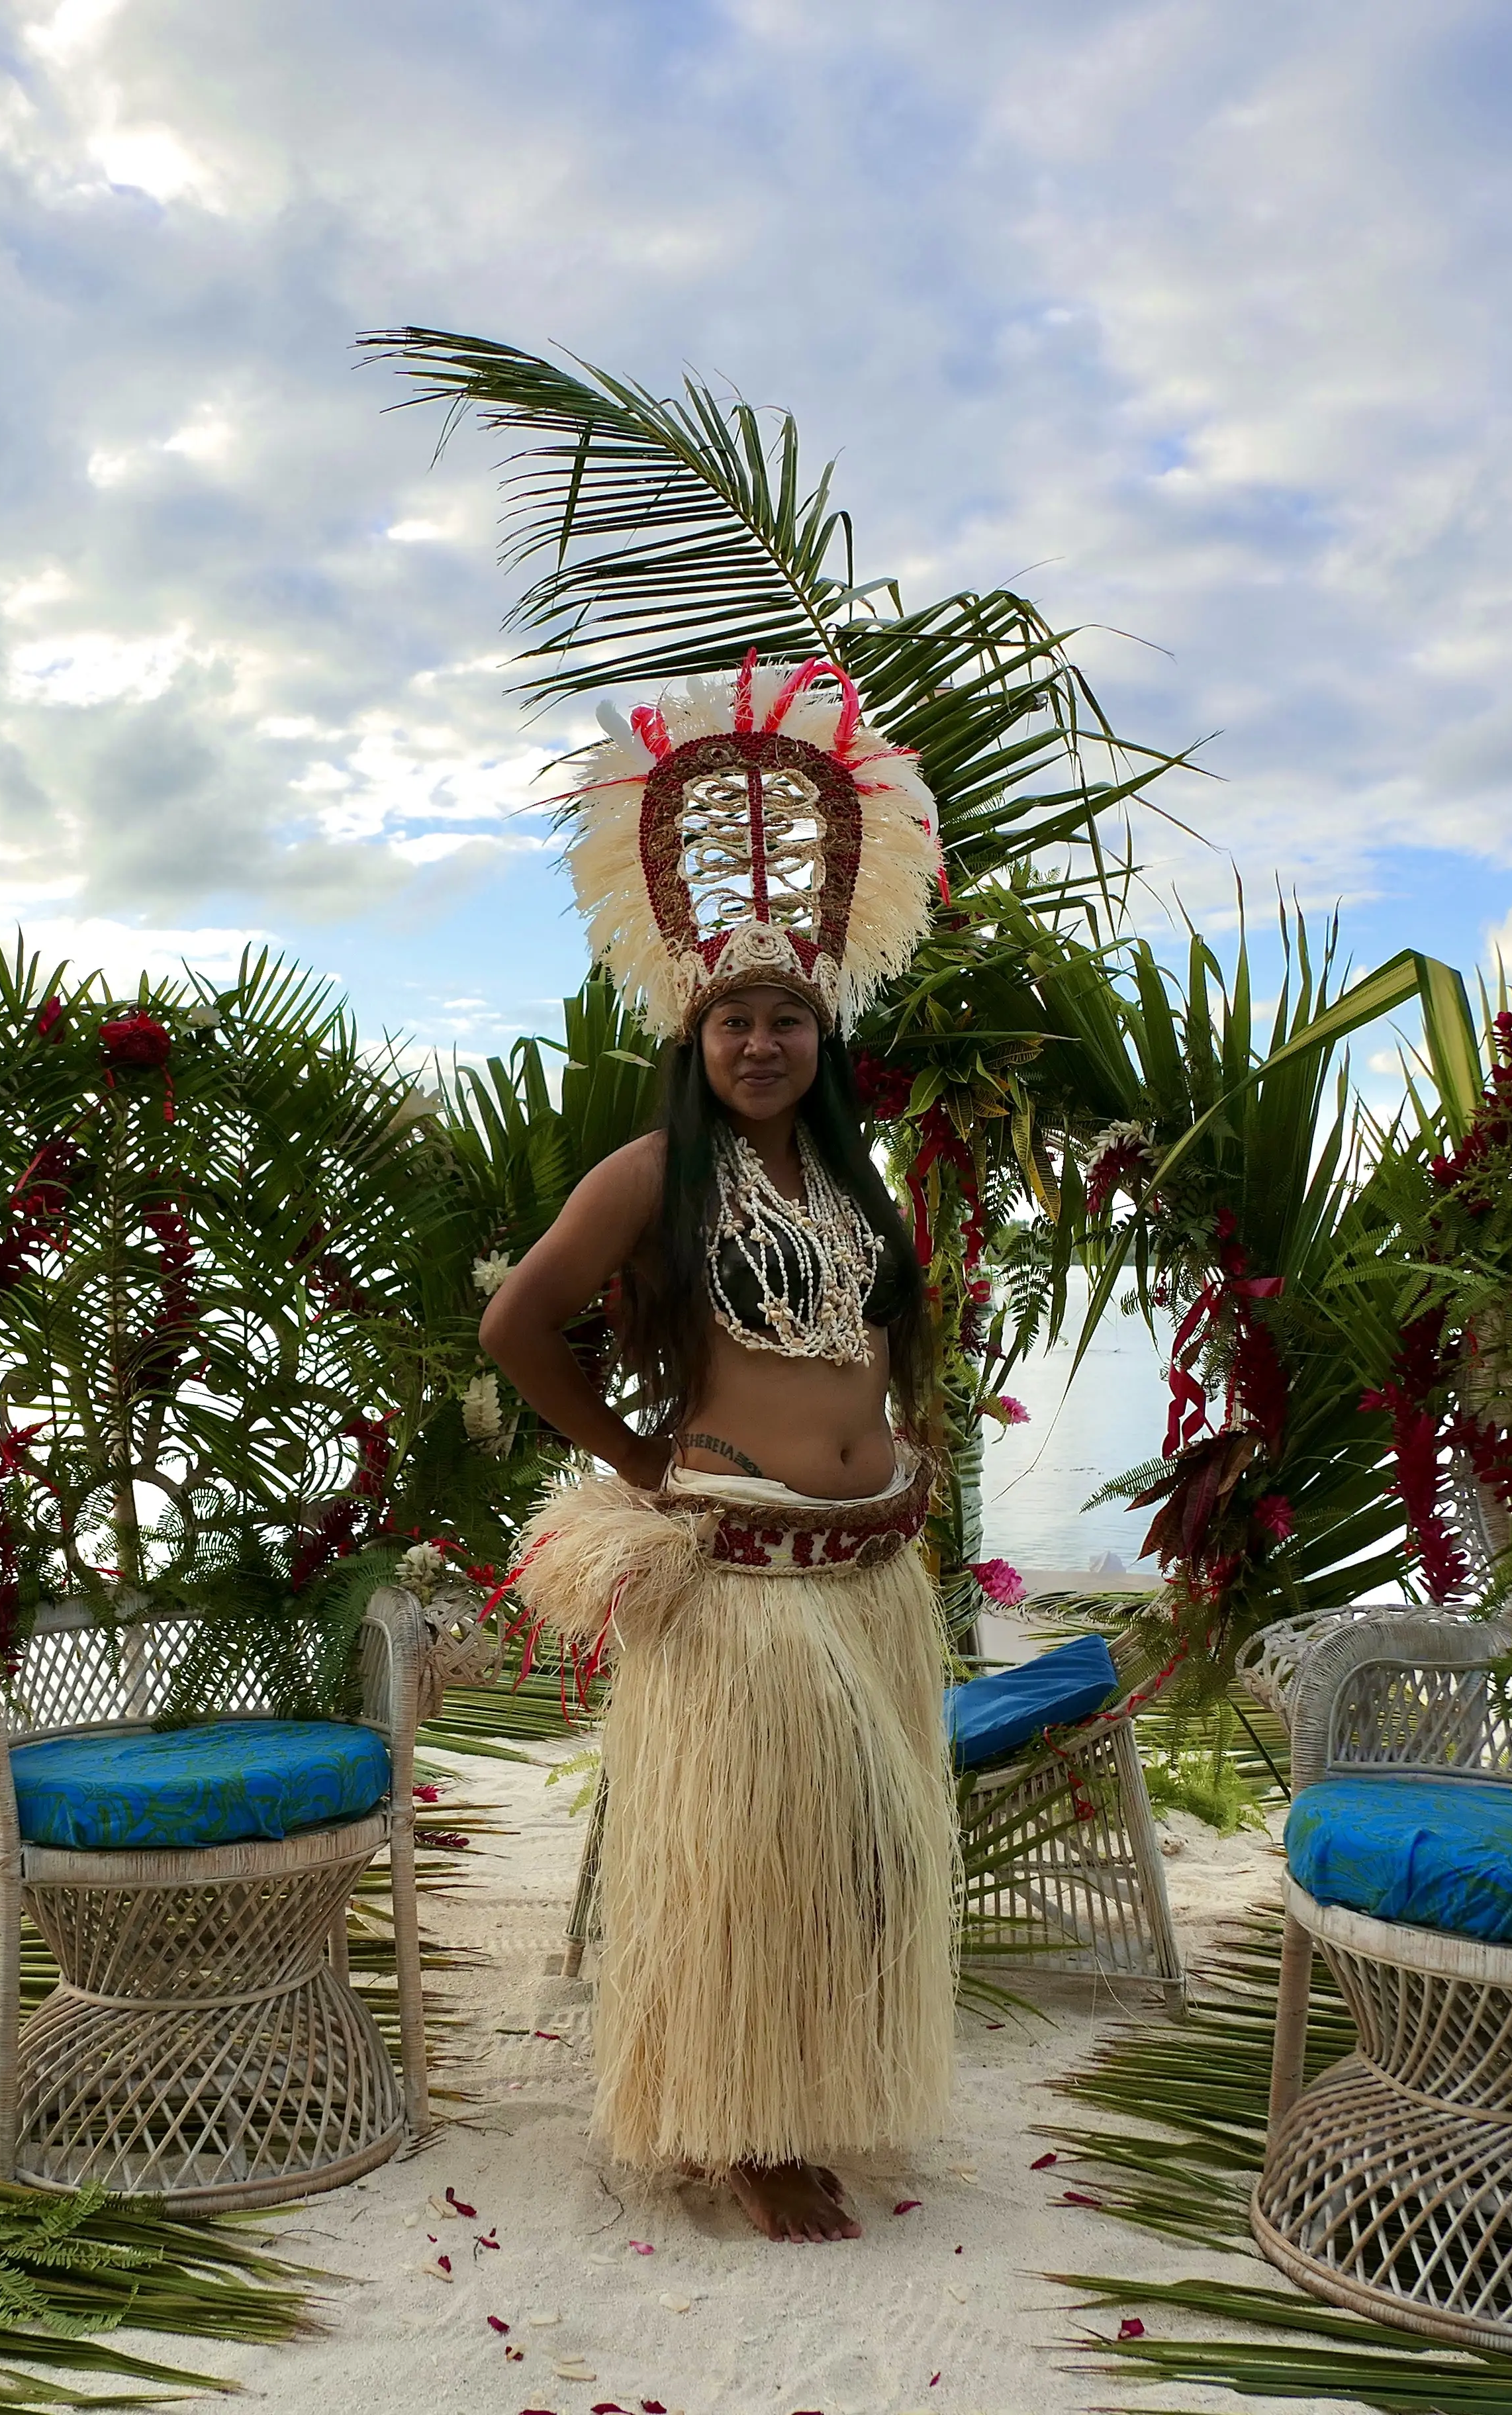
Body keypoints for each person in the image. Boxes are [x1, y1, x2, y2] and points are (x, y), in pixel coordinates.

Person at [479, 656, 955, 2242]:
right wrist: (629, 1459)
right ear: (694, 1034)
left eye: (790, 1020)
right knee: (762, 1863)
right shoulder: (646, 1176)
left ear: (823, 1036)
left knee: (868, 1859)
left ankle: (809, 2086)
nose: (763, 1043)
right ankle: (747, 2125)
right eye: (738, 1020)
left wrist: (915, 1447)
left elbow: (891, 1336)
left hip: (871, 1569)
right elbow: (517, 1330)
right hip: (741, 1576)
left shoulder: (850, 1185)